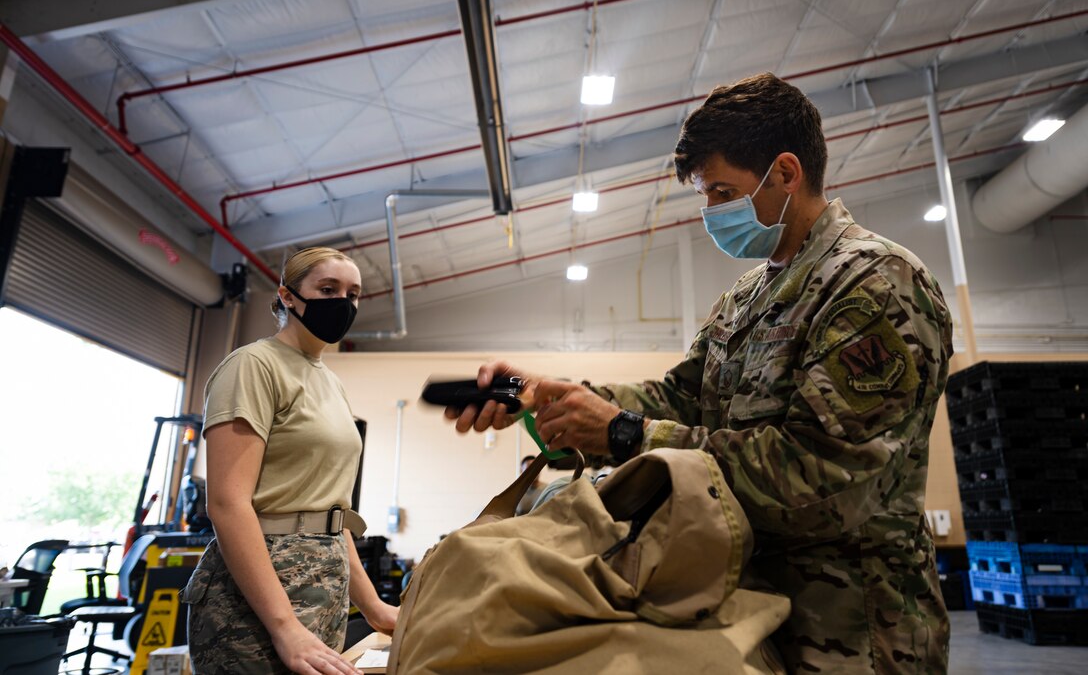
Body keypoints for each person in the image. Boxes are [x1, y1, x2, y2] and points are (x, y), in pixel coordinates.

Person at [447, 73, 952, 674]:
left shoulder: (874, 283)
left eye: (722, 191)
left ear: (786, 173)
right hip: (749, 613)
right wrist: (553, 399)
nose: (711, 211)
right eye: (705, 194)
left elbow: (824, 478)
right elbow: (680, 397)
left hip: (852, 633)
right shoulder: (746, 297)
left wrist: (626, 433)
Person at [182, 247, 398, 675]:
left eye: (353, 294)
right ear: (287, 295)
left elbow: (331, 514)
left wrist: (373, 607)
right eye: (328, 289)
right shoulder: (252, 366)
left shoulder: (329, 381)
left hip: (324, 585)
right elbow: (227, 504)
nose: (343, 302)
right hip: (261, 597)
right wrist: (285, 627)